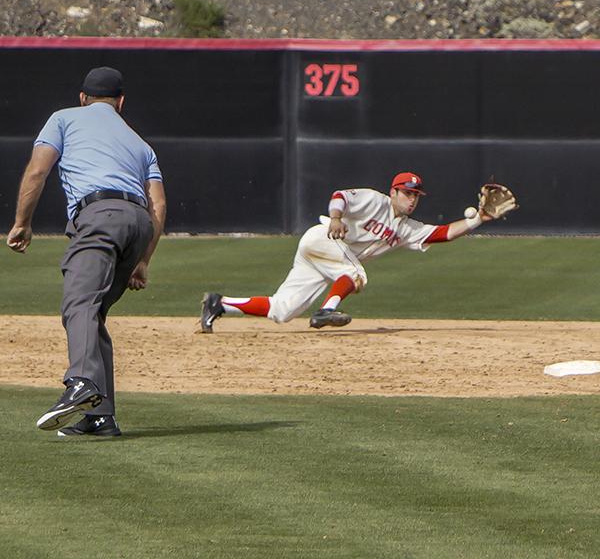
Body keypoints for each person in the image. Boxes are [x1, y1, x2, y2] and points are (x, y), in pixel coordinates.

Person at [6, 66, 167, 437]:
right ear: (120, 102)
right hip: (139, 224)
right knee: (92, 314)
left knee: (78, 304)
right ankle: (100, 418)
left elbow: (37, 172)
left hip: (99, 216)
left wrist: (22, 223)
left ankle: (80, 382)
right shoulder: (141, 144)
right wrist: (143, 259)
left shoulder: (63, 118)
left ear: (83, 98)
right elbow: (157, 205)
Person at [200, 172, 515, 333]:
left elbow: (441, 234)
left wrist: (479, 220)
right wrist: (336, 217)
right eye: (407, 193)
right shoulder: (374, 200)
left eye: (415, 195)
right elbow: (340, 196)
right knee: (355, 273)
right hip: (323, 238)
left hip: (327, 257)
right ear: (393, 192)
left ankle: (220, 304)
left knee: (283, 311)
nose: (411, 199)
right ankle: (326, 310)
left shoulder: (406, 227)